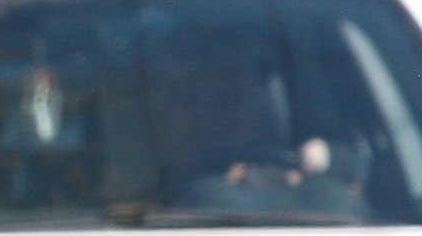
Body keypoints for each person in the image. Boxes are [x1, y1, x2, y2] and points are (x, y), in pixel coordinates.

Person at [141, 40, 358, 216]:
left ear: (259, 109)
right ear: (156, 111)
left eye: (227, 100)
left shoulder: (299, 183)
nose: (206, 116)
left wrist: (322, 161)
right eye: (186, 100)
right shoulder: (128, 203)